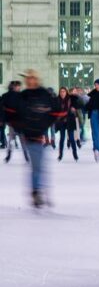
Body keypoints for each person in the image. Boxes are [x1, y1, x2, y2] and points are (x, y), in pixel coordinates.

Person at [4, 69, 64, 208]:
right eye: (28, 79)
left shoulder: (44, 94)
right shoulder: (23, 96)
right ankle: (37, 192)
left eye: (32, 78)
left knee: (39, 166)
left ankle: (38, 191)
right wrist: (20, 127)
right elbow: (12, 112)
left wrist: (47, 123)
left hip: (39, 134)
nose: (30, 81)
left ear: (36, 79)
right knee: (38, 166)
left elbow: (56, 109)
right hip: (29, 135)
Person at [55, 86, 80, 161]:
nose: (62, 93)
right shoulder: (57, 100)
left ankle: (75, 154)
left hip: (70, 121)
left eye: (64, 92)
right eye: (61, 92)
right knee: (62, 138)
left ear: (66, 92)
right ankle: (60, 155)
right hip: (61, 121)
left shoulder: (71, 99)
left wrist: (74, 108)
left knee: (72, 138)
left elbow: (78, 104)